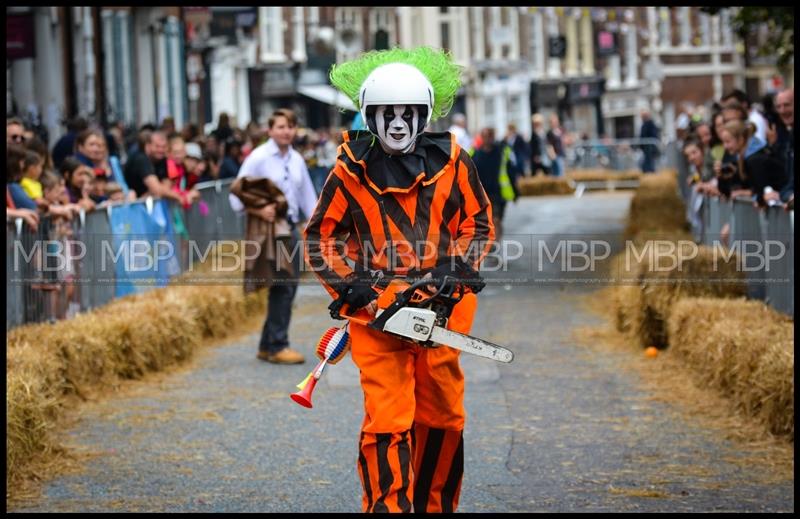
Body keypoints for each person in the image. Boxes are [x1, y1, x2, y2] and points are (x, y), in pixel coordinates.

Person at [305, 47, 494, 513]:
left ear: (422, 114)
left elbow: (479, 224)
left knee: (444, 414)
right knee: (388, 418)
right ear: (371, 116)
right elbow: (319, 238)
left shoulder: (454, 161)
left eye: (407, 113)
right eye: (386, 113)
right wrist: (350, 284)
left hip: (442, 311)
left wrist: (458, 268)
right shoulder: (350, 170)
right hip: (377, 311)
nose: (397, 123)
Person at [229, 108, 317, 365]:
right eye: (280, 127)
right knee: (283, 285)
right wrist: (258, 209)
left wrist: (314, 226)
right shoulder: (258, 158)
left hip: (290, 228)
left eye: (290, 126)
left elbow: (307, 197)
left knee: (287, 285)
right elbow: (235, 195)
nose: (286, 131)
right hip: (270, 230)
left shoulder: (297, 159)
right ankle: (278, 344)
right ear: (270, 130)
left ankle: (268, 344)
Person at [470, 127, 518, 244]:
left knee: (496, 220)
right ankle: (491, 242)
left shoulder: (502, 152)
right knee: (487, 221)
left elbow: (511, 171)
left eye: (489, 136)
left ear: (493, 137)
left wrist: (516, 191)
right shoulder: (474, 153)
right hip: (481, 193)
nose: (487, 139)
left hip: (498, 193)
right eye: (485, 136)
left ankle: (495, 243)